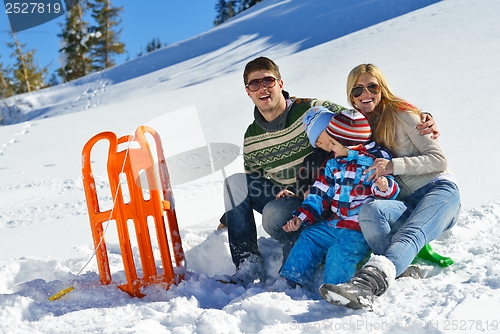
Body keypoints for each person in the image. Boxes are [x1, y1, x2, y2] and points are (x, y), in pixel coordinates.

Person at [219, 57, 437, 286]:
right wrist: (233, 217)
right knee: (235, 183)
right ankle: (248, 264)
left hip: (327, 190)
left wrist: (417, 117)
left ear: (280, 84)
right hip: (292, 194)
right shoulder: (251, 136)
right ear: (248, 91)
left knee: (276, 213)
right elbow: (253, 180)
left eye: (268, 81)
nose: (262, 88)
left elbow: (358, 120)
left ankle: (311, 251)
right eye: (255, 84)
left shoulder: (311, 108)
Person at [319, 63, 461, 310]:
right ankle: (401, 268)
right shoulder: (358, 124)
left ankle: (367, 285)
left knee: (411, 233)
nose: (366, 94)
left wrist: (393, 165)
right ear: (350, 96)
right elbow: (320, 114)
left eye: (372, 86)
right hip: (404, 200)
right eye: (357, 89)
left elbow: (439, 160)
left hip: (438, 190)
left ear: (382, 87)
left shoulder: (403, 114)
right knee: (371, 212)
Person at [279, 106, 400, 289]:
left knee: (340, 252)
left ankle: (336, 289)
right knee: (310, 236)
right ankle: (292, 279)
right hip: (334, 223)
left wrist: (384, 186)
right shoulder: (333, 164)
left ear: (349, 144)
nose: (330, 147)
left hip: (358, 229)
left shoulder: (374, 162)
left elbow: (388, 192)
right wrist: (300, 217)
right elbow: (318, 193)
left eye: (333, 144)